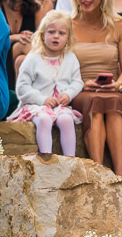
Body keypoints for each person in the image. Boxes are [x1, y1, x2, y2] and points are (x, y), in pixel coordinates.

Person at [69, 0, 122, 176]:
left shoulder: (120, 25)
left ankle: (120, 175)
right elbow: (57, 67)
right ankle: (99, 174)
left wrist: (118, 84)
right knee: (95, 102)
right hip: (79, 89)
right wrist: (81, 84)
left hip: (112, 89)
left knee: (114, 101)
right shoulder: (67, 25)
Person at [7, 10, 82, 156]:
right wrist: (42, 99)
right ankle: (46, 157)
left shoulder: (70, 58)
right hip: (36, 105)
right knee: (44, 119)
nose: (56, 36)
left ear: (68, 37)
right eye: (51, 32)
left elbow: (77, 81)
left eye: (61, 33)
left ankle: (70, 159)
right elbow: (22, 87)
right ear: (42, 35)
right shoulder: (33, 58)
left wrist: (68, 94)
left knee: (66, 119)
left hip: (59, 106)